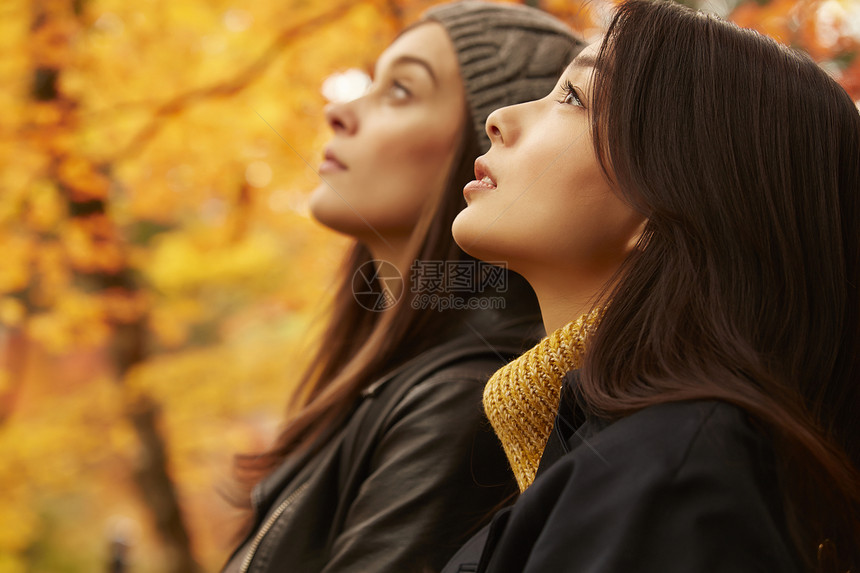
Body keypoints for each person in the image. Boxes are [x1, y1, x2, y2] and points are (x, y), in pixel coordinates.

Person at [443, 0, 860, 571]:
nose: (499, 117)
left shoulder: (674, 475)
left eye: (572, 97)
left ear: (667, 205)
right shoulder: (629, 457)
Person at [221, 3, 582, 572]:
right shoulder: (396, 381)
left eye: (401, 91)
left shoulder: (465, 401)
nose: (339, 112)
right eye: (370, 83)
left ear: (487, 156)